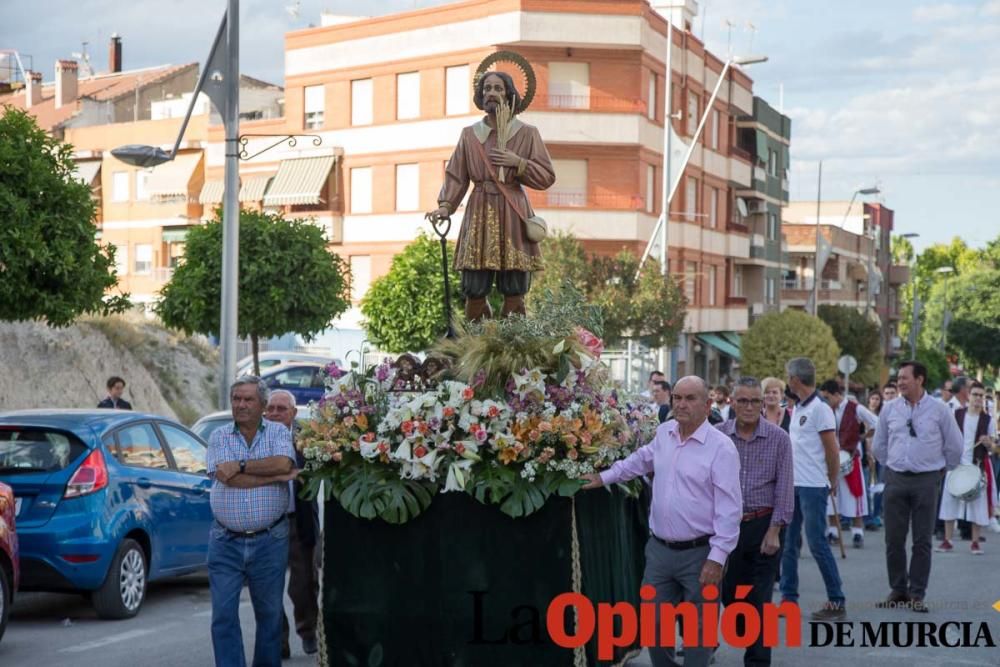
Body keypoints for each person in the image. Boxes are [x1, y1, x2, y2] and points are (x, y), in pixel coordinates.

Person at [582, 376, 742, 667]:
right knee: (654, 627)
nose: (681, 404)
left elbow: (730, 510)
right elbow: (640, 460)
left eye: (690, 398)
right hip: (660, 552)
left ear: (708, 405)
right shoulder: (665, 432)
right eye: (677, 398)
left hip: (701, 554)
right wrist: (603, 477)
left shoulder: (721, 448)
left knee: (697, 635)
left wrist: (717, 559)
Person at [426, 66, 555, 320]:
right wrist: (445, 205)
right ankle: (475, 343)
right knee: (474, 286)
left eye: (498, 88)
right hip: (479, 211)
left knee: (514, 286)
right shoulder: (470, 135)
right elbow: (456, 174)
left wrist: (518, 162)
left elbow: (546, 176)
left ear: (509, 95)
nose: (491, 93)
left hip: (513, 211)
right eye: (487, 88)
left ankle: (512, 345)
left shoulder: (527, 133)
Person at [207, 377, 298, 667]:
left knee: (270, 616)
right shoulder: (219, 436)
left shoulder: (278, 433)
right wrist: (273, 477)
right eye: (236, 399)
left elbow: (285, 463)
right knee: (223, 616)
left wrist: (242, 465)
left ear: (261, 405)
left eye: (248, 400)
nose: (241, 405)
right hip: (225, 540)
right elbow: (225, 477)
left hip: (270, 540)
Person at [872, 360, 963, 612]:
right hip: (896, 478)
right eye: (898, 378)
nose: (900, 382)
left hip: (926, 479)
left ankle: (917, 593)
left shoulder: (939, 410)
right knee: (893, 538)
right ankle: (898, 589)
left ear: (920, 380)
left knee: (922, 540)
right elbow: (879, 445)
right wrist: (890, 466)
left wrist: (942, 470)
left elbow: (955, 444)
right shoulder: (889, 409)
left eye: (904, 378)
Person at [717, 377, 794, 667]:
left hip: (764, 526)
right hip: (728, 527)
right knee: (732, 595)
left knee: (761, 599)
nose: (749, 407)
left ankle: (758, 660)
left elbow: (785, 488)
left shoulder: (779, 439)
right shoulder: (718, 436)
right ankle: (745, 629)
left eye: (755, 401)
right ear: (732, 402)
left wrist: (775, 530)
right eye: (743, 401)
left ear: (763, 404)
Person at [779, 357, 846, 621]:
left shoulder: (820, 409)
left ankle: (836, 599)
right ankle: (788, 599)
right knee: (788, 544)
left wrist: (832, 480)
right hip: (794, 485)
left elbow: (832, 449)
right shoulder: (798, 407)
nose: (787, 380)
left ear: (795, 379)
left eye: (788, 376)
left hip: (813, 486)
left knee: (817, 543)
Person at [265, 390, 320, 658]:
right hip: (267, 523)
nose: (275, 413)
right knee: (268, 586)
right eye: (271, 408)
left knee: (304, 584)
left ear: (293, 413)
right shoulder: (258, 439)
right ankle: (279, 641)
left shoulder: (307, 438)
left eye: (281, 409)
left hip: (300, 521)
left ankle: (308, 630)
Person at [936, 381, 996, 555]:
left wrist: (988, 443)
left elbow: (993, 447)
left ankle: (975, 542)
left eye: (980, 395)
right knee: (949, 502)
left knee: (978, 505)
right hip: (956, 466)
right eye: (975, 394)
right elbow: (945, 437)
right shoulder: (956, 414)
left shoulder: (988, 420)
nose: (977, 398)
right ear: (968, 396)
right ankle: (947, 541)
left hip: (976, 466)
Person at [817, 380, 878, 548]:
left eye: (827, 397)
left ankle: (857, 532)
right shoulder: (825, 409)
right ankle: (833, 532)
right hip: (830, 457)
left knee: (854, 493)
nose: (826, 401)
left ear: (837, 394)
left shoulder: (855, 408)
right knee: (831, 494)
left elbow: (876, 422)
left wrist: (863, 437)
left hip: (850, 456)